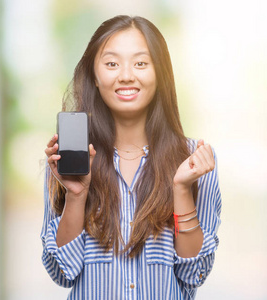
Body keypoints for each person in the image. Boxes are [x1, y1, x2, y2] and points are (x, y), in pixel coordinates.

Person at [41, 15, 221, 299]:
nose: (126, 75)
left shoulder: (194, 162)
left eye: (140, 63)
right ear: (94, 77)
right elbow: (63, 272)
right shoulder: (71, 160)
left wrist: (182, 189)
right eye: (112, 63)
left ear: (160, 74)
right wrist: (76, 195)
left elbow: (193, 273)